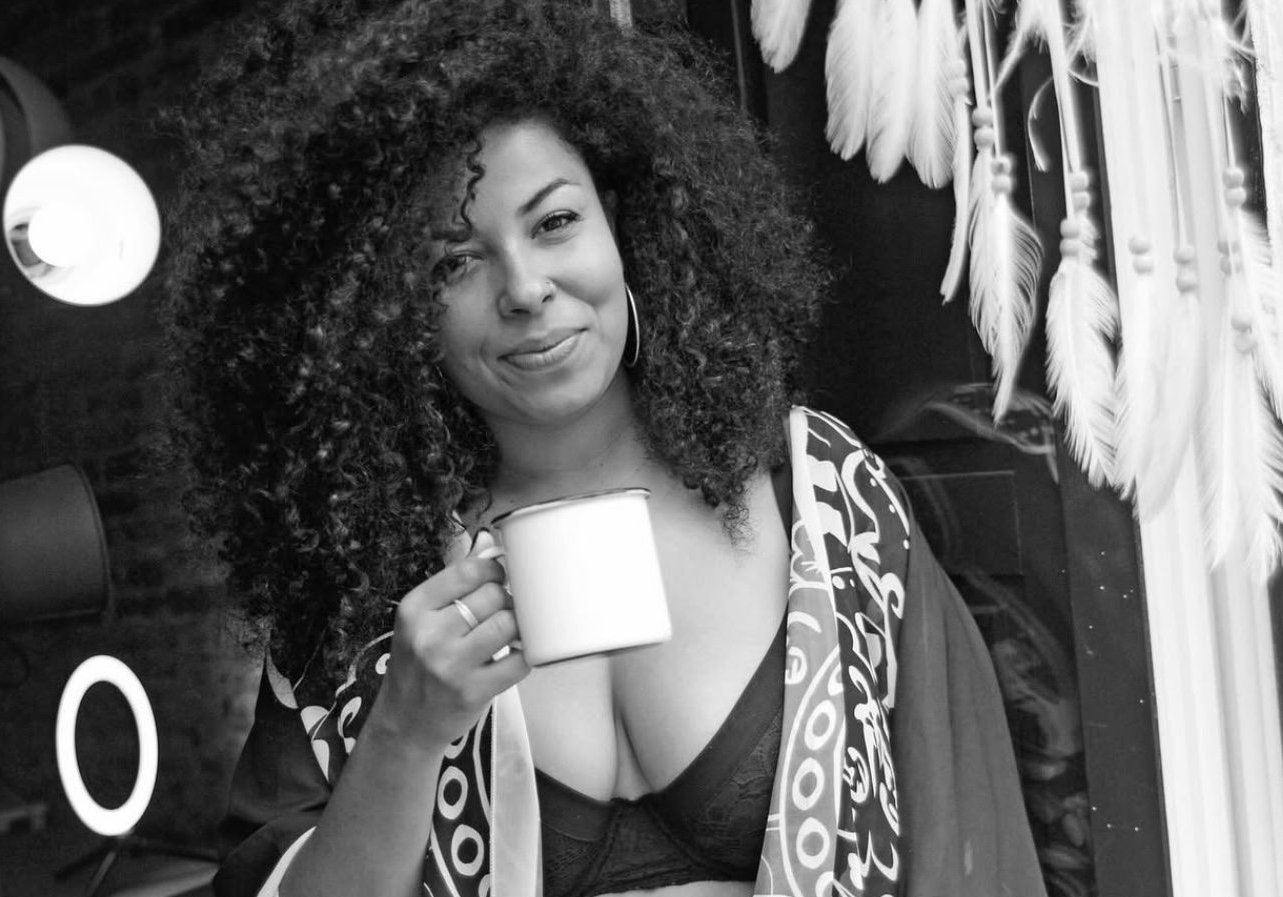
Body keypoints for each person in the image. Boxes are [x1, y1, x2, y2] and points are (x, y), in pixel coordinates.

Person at [158, 2, 1048, 896]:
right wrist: (405, 729)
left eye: (553, 222)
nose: (525, 288)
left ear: (621, 221)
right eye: (452, 262)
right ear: (385, 314)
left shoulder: (821, 502)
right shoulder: (360, 586)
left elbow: (968, 843)